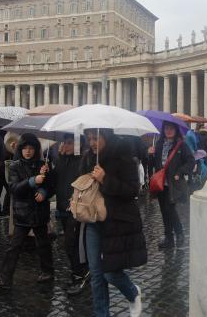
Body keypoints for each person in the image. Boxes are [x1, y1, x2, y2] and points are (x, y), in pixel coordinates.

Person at [81, 128, 146, 317]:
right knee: (96, 275)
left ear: (106, 137)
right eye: (89, 138)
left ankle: (133, 292)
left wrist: (105, 179)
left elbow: (132, 190)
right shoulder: (88, 158)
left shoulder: (123, 155)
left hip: (116, 222)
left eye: (96, 138)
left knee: (110, 272)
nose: (92, 142)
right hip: (94, 220)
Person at [0, 133, 56, 289]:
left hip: (39, 212)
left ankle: (48, 272)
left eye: (31, 148)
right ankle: (5, 278)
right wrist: (32, 181)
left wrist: (44, 192)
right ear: (20, 149)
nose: (28, 151)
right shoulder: (15, 166)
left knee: (44, 244)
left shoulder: (43, 164)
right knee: (14, 247)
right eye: (25, 148)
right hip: (23, 213)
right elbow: (14, 189)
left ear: (36, 149)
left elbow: (51, 187)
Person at [148, 122, 195, 249]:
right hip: (161, 183)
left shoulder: (181, 145)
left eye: (171, 129)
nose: (168, 131)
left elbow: (191, 161)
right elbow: (153, 164)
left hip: (173, 183)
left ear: (175, 130)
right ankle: (169, 237)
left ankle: (179, 234)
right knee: (163, 210)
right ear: (163, 130)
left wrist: (180, 172)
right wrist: (150, 155)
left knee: (170, 209)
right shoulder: (158, 144)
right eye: (166, 129)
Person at [54, 134, 89, 295]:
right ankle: (79, 272)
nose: (65, 146)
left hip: (75, 209)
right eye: (64, 143)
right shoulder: (61, 159)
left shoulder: (83, 161)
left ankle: (80, 275)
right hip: (62, 208)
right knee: (70, 245)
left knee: (72, 243)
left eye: (69, 143)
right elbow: (56, 181)